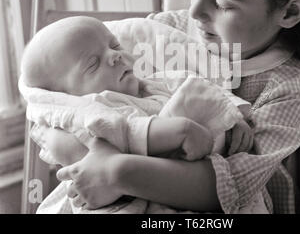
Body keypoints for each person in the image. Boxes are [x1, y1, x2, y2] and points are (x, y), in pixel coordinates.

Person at [50, 0, 300, 213]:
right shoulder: (160, 32)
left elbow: (226, 190)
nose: (195, 10)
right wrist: (98, 151)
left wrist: (117, 171)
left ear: (289, 12)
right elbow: (51, 113)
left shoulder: (287, 87)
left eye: (224, 4)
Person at [20, 15, 254, 213]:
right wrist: (179, 131)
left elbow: (200, 88)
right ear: (66, 97)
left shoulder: (158, 82)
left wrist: (231, 115)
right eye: (92, 64)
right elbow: (123, 131)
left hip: (185, 185)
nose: (114, 55)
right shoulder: (93, 110)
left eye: (114, 45)